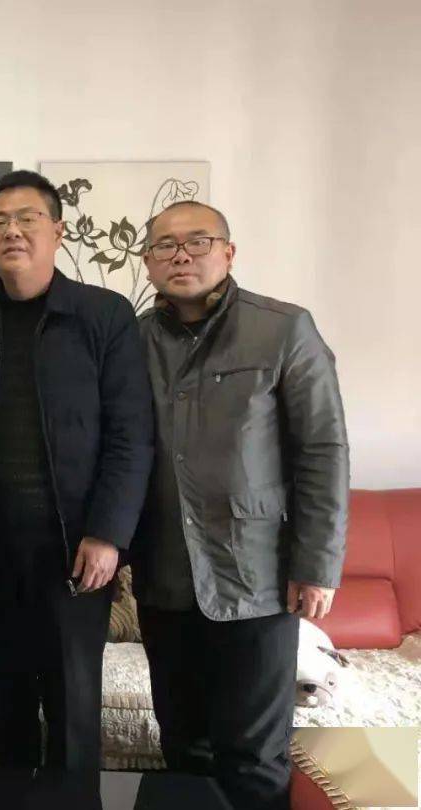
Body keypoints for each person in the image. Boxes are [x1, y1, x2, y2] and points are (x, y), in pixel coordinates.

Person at [132, 200, 349, 810]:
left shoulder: (283, 329)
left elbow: (323, 449)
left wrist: (317, 565)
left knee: (253, 756)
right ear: (148, 262)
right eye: (165, 245)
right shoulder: (134, 340)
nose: (181, 255)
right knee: (182, 749)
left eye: (197, 241)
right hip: (165, 578)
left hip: (258, 578)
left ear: (228, 252)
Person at [0, 169, 154, 770]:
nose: (12, 230)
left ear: (58, 231)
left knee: (72, 712)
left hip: (74, 549)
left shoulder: (103, 315)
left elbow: (131, 433)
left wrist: (108, 533)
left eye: (27, 218)